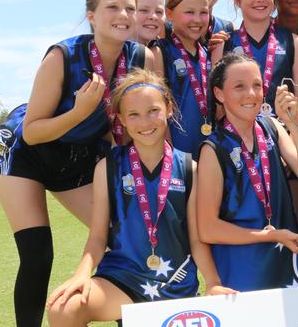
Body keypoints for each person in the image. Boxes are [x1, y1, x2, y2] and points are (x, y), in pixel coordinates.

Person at [0, 0, 152, 327]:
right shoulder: (62, 55)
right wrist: (79, 113)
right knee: (38, 254)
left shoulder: (141, 57)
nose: (124, 14)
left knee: (123, 242)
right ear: (91, 17)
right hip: (26, 153)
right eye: (113, 7)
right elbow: (33, 132)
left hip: (78, 156)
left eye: (130, 7)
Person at [46, 69, 234, 326]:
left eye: (153, 111)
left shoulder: (190, 167)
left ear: (168, 108)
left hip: (173, 283)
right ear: (121, 119)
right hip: (123, 281)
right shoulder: (108, 167)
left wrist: (212, 283)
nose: (145, 122)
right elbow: (98, 236)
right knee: (64, 308)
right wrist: (82, 274)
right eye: (133, 114)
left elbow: (195, 239)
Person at [196, 54, 298, 291]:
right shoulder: (212, 149)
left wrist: (292, 124)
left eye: (257, 85)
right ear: (219, 94)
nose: (251, 94)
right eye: (239, 86)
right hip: (242, 267)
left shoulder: (272, 127)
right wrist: (272, 236)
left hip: (284, 260)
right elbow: (208, 228)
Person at [210, 0, 298, 118]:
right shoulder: (223, 44)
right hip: (237, 136)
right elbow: (218, 106)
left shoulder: (296, 43)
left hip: (282, 133)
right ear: (237, 0)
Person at [151, 0, 211, 157]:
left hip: (209, 150)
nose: (197, 19)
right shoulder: (159, 52)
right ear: (169, 14)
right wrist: (169, 153)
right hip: (174, 154)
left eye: (203, 13)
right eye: (189, 12)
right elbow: (156, 108)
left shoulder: (209, 53)